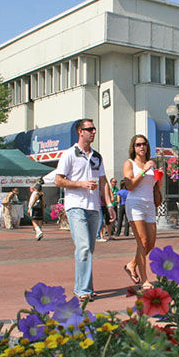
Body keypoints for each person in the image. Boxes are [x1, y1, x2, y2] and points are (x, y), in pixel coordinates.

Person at [54, 118, 115, 301]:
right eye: (90, 129)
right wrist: (80, 184)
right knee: (83, 248)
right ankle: (84, 291)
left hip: (93, 207)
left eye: (94, 129)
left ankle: (82, 287)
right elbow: (58, 180)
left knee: (89, 249)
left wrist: (109, 205)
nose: (93, 132)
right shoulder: (69, 154)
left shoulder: (97, 156)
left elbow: (103, 181)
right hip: (75, 206)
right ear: (80, 131)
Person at [123, 134, 162, 290]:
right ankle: (145, 279)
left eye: (144, 144)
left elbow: (155, 188)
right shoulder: (129, 163)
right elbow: (130, 185)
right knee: (142, 241)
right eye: (138, 144)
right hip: (135, 204)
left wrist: (159, 179)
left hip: (149, 204)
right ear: (133, 147)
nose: (142, 147)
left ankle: (131, 264)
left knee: (151, 243)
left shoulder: (150, 164)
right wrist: (144, 171)